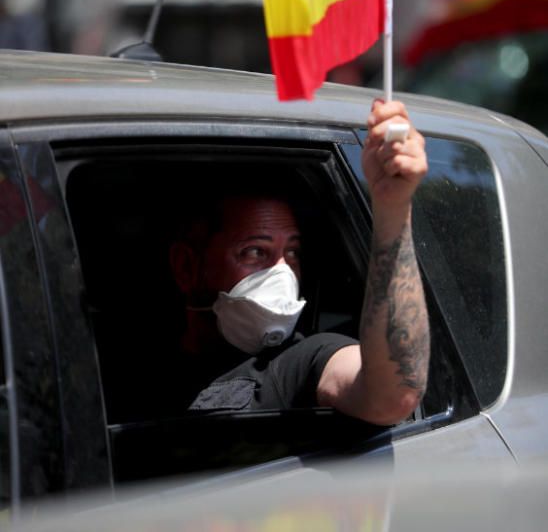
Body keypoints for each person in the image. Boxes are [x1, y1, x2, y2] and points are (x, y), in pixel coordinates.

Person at [169, 99, 430, 425]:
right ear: (186, 267)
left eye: (292, 254)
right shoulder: (128, 359)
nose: (282, 272)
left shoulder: (297, 361)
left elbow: (392, 397)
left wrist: (394, 209)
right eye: (255, 252)